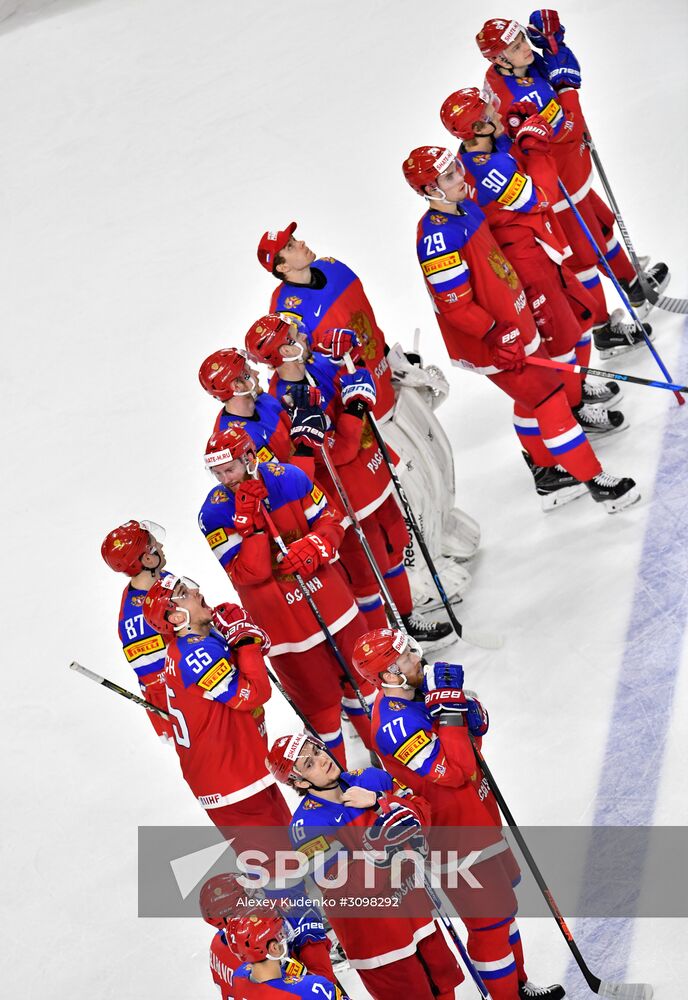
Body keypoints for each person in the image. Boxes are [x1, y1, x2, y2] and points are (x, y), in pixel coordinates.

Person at [402, 143, 640, 514]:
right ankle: (595, 481)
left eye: (456, 170)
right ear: (430, 190)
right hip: (493, 343)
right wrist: (495, 332)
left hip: (514, 324)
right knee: (548, 399)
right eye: (449, 176)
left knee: (531, 400)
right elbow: (455, 306)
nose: (461, 177)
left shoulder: (466, 207)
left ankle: (548, 475)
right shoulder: (437, 240)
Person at [352, 628, 565, 1000]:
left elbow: (473, 744)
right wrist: (449, 708)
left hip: (479, 818)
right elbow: (456, 771)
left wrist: (466, 709)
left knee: (504, 914)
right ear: (387, 675)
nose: (417, 659)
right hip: (455, 839)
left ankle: (518, 986)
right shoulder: (393, 725)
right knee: (488, 925)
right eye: (405, 658)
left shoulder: (420, 694)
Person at [245, 312, 453, 642]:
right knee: (366, 574)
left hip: (373, 477)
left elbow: (356, 378)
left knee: (394, 545)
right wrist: (354, 408)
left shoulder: (317, 366)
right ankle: (384, 644)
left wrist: (353, 361)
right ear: (282, 352)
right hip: (346, 498)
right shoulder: (285, 399)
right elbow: (336, 452)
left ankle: (409, 619)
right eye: (293, 335)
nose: (302, 335)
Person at [476, 13, 669, 355]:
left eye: (523, 40)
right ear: (499, 58)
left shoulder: (508, 70)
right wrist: (566, 88)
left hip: (571, 172)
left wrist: (555, 46)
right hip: (557, 184)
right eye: (516, 46)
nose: (525, 48)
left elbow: (557, 64)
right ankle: (603, 328)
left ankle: (633, 286)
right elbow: (566, 126)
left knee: (603, 227)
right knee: (582, 258)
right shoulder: (518, 96)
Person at [198, 423, 376, 762]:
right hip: (285, 628)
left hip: (333, 604)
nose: (225, 480)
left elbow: (331, 518)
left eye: (230, 469)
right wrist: (251, 531)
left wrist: (318, 544)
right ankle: (337, 785)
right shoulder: (214, 513)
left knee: (364, 685)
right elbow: (249, 573)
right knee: (320, 711)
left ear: (249, 457)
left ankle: (392, 765)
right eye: (217, 473)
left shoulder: (288, 477)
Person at [266, 732, 465, 1000]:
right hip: (377, 937)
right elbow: (343, 886)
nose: (322, 759)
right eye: (309, 764)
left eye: (316, 751)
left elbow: (421, 811)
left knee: (444, 985)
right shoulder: (305, 828)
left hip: (415, 908)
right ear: (298, 781)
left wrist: (379, 801)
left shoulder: (370, 779)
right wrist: (388, 844)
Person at [142, 574, 291, 842]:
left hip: (244, 765)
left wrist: (245, 635)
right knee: (278, 867)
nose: (196, 591)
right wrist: (245, 642)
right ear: (177, 619)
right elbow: (252, 695)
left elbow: (255, 655)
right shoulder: (195, 655)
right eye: (184, 593)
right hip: (229, 780)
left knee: (289, 846)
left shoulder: (204, 637)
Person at [258, 222, 395, 424]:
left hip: (385, 372)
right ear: (283, 267)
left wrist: (388, 352)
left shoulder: (332, 267)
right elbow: (289, 369)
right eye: (290, 246)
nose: (300, 243)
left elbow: (362, 318)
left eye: (294, 239)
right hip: (361, 407)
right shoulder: (287, 313)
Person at [199, 872, 335, 998]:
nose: (258, 898)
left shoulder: (218, 945)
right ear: (230, 918)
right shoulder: (263, 963)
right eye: (247, 899)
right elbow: (323, 985)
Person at [100, 519, 175, 743]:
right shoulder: (138, 620)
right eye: (154, 544)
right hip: (181, 708)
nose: (160, 546)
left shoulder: (162, 578)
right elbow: (158, 682)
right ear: (148, 558)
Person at [229, 914, 349, 999]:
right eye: (280, 933)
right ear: (274, 948)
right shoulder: (314, 988)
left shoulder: (238, 976)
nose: (284, 936)